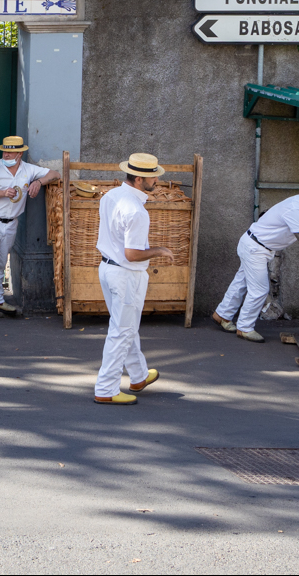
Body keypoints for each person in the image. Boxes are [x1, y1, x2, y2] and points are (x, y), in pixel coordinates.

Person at [94, 153, 173, 406]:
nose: (157, 182)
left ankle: (138, 376)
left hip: (107, 267)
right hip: (127, 274)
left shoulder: (110, 196)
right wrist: (159, 250)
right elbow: (132, 253)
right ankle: (106, 388)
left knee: (125, 327)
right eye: (153, 178)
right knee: (122, 330)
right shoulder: (136, 211)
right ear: (139, 179)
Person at [213, 194, 299, 343]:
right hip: (256, 249)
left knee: (241, 282)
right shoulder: (295, 212)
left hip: (254, 244)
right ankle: (245, 327)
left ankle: (222, 314)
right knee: (259, 289)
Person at [0, 136, 60, 323]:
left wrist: (39, 182)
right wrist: (3, 193)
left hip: (11, 222)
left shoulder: (28, 170)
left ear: (19, 153)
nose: (6, 154)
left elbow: (55, 174)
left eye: (11, 151)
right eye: (5, 150)